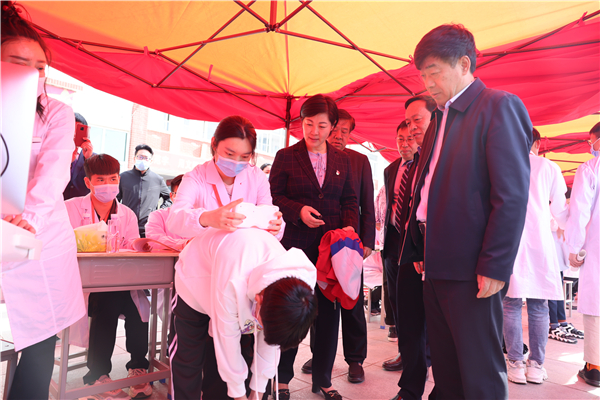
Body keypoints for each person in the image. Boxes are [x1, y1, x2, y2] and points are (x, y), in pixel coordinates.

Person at [400, 24, 532, 399]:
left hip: (472, 266)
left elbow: (511, 195)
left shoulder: (497, 106)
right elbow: (427, 189)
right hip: (434, 261)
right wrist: (418, 246)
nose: (428, 83)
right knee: (446, 368)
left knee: (478, 371)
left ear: (463, 64)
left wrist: (495, 264)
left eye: (434, 72)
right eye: (423, 75)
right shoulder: (440, 119)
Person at [1, 3, 86, 399]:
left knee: (39, 341)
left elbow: (52, 173)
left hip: (42, 240)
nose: (32, 74)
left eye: (39, 67)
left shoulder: (56, 112)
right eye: (19, 63)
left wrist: (28, 220)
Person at [166, 115, 284, 400]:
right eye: (229, 154)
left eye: (245, 157)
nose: (237, 162)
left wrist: (275, 226)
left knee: (227, 359)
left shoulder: (256, 177)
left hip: (237, 284)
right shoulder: (196, 177)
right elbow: (175, 219)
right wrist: (208, 218)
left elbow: (270, 222)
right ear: (214, 144)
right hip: (197, 281)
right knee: (187, 360)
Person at [270, 94, 359, 400]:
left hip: (330, 250)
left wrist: (349, 227)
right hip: (295, 247)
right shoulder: (286, 156)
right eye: (308, 124)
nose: (314, 131)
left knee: (328, 315)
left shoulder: (342, 160)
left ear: (333, 126)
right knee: (292, 310)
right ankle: (282, 378)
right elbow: (274, 196)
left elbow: (349, 200)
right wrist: (298, 211)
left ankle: (323, 378)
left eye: (322, 125)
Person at [171, 227, 317, 400]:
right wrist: (239, 396)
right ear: (259, 299)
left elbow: (271, 342)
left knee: (227, 373)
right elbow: (227, 338)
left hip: (233, 274)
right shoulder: (235, 278)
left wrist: (257, 392)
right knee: (189, 358)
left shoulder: (299, 290)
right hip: (196, 276)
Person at [65, 154, 152, 400]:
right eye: (100, 180)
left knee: (138, 305)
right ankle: (98, 375)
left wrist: (141, 247)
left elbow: (131, 248)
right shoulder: (70, 208)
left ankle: (138, 368)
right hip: (84, 284)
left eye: (113, 179)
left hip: (121, 281)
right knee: (109, 300)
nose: (108, 185)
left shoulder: (127, 214)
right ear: (88, 182)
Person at [300, 109, 375, 384]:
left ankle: (355, 359)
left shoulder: (359, 161)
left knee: (352, 300)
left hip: (350, 246)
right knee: (321, 301)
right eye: (336, 129)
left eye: (345, 131)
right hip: (320, 244)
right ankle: (319, 355)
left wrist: (367, 241)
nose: (339, 135)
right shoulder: (312, 157)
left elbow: (366, 203)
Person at [502, 128, 569, 385]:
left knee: (511, 304)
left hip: (509, 240)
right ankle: (536, 366)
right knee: (539, 306)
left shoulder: (504, 165)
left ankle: (515, 363)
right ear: (537, 143)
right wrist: (573, 235)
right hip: (540, 241)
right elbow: (561, 211)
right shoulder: (549, 167)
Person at [389, 95, 436, 400]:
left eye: (417, 119)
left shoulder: (442, 157)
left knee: (439, 327)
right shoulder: (413, 162)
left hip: (436, 253)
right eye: (408, 122)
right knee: (407, 321)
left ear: (435, 119)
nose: (412, 127)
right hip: (407, 252)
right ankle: (409, 389)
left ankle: (443, 389)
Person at [381, 121, 418, 375]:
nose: (404, 144)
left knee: (414, 301)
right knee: (396, 299)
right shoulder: (390, 169)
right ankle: (404, 352)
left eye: (409, 139)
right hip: (393, 241)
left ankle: (420, 353)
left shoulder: (426, 167)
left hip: (415, 243)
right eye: (400, 139)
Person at [566, 121, 600, 387]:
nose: (590, 146)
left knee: (596, 305)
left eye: (591, 141)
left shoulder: (590, 169)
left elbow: (579, 212)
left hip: (596, 246)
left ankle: (595, 367)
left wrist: (574, 250)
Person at [117, 144, 171, 237]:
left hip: (149, 229)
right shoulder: (123, 177)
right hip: (126, 227)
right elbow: (114, 200)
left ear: (151, 161)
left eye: (146, 158)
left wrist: (161, 210)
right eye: (140, 157)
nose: (143, 160)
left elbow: (169, 199)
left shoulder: (158, 180)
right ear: (134, 158)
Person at [145, 174, 188, 251]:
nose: (185, 198)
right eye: (179, 194)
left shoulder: (203, 218)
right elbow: (155, 241)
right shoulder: (157, 216)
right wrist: (185, 244)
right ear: (171, 196)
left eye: (188, 194)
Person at [63, 112, 94, 200]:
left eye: (78, 130)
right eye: (71, 129)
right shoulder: (56, 154)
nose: (74, 134)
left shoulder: (92, 158)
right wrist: (67, 162)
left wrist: (88, 159)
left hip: (82, 205)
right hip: (58, 203)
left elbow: (98, 182)